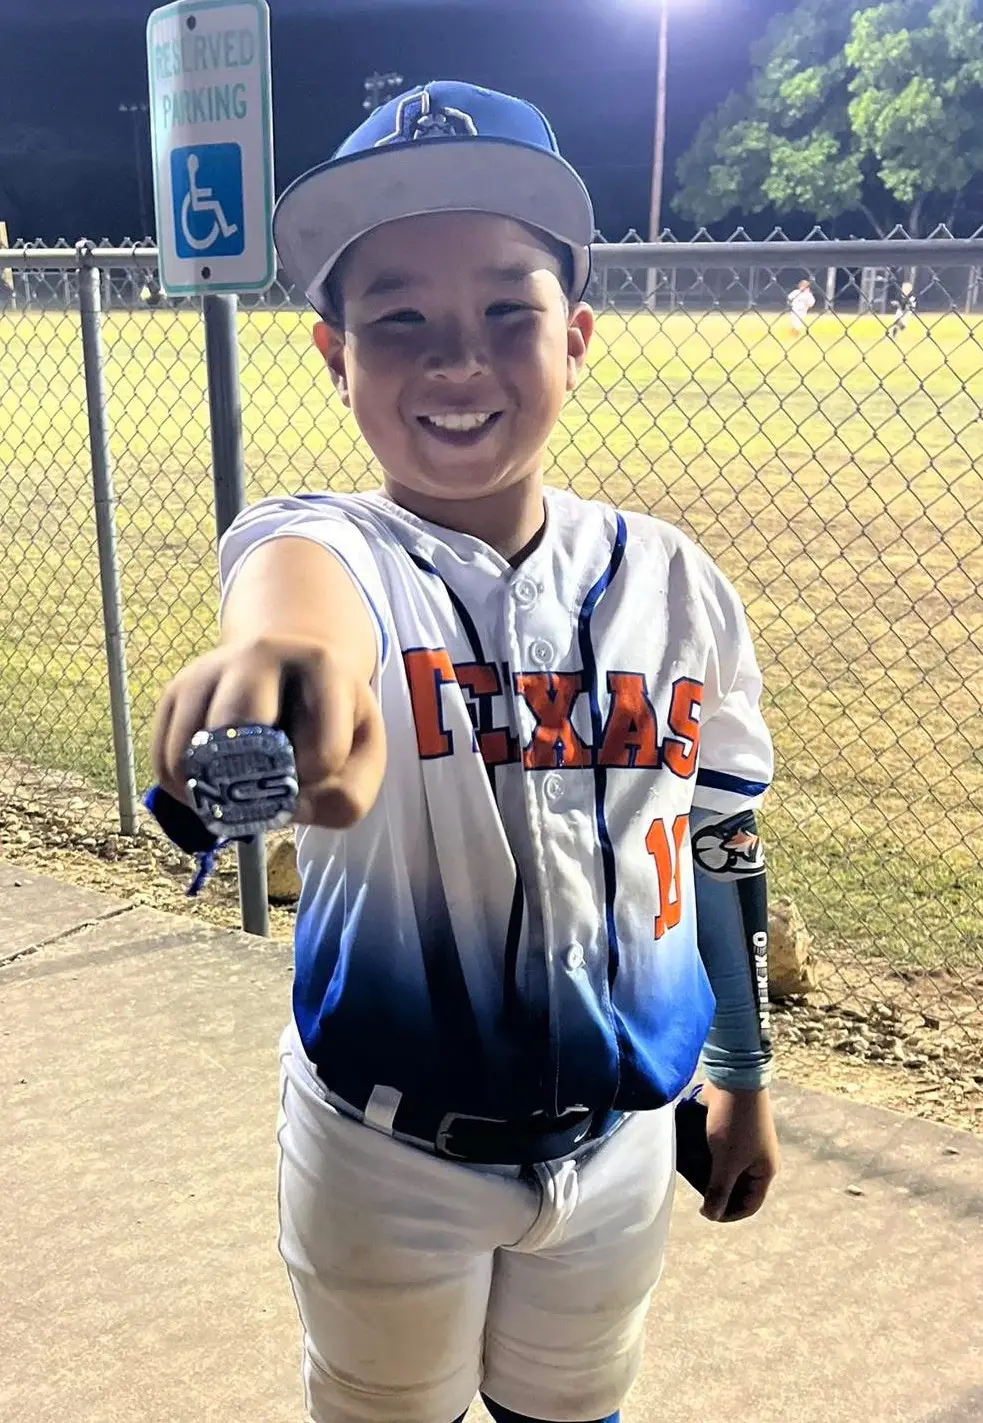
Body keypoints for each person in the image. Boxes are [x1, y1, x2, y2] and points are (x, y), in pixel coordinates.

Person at [150, 81, 780, 1423]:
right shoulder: (326, 545)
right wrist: (293, 692)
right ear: (333, 355)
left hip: (619, 1150)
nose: (457, 361)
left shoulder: (673, 584)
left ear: (577, 337)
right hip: (387, 1159)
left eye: (507, 311)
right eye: (400, 321)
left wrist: (740, 1073)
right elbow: (309, 643)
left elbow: (718, 841)